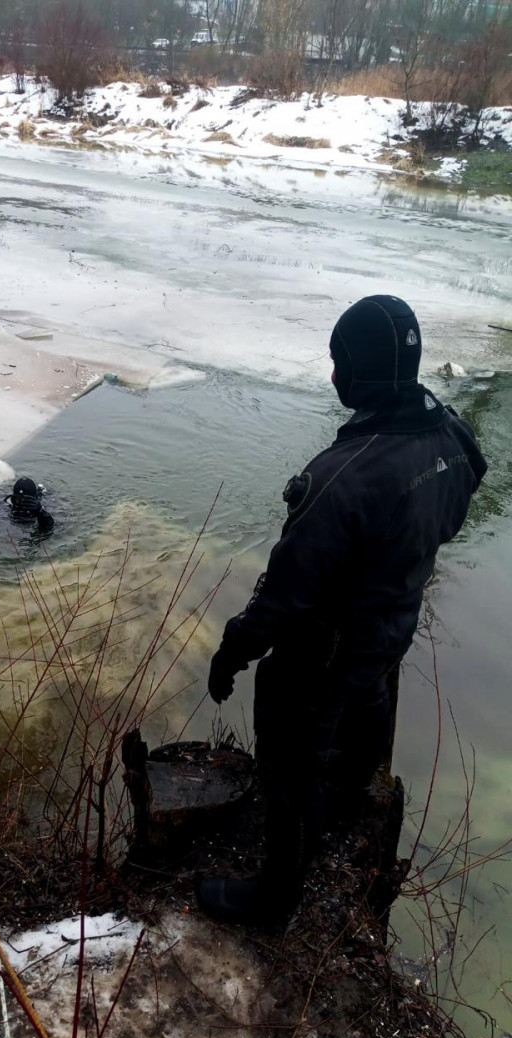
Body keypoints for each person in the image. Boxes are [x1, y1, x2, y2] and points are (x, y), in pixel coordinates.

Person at [198, 295, 487, 927]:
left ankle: (276, 897)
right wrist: (399, 560)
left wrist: (233, 650)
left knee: (290, 752)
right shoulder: (450, 433)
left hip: (326, 643)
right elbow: (465, 490)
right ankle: (351, 796)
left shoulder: (341, 477)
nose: (334, 376)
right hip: (392, 620)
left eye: (340, 362)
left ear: (364, 371)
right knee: (368, 698)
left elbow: (284, 595)